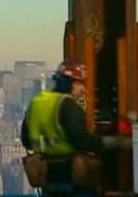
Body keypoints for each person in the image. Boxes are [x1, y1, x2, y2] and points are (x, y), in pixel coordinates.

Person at [21, 59, 124, 197]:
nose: (83, 89)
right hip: (71, 176)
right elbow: (81, 141)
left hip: (46, 176)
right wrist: (113, 142)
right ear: (70, 83)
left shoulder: (36, 103)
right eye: (80, 83)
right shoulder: (68, 106)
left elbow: (26, 140)